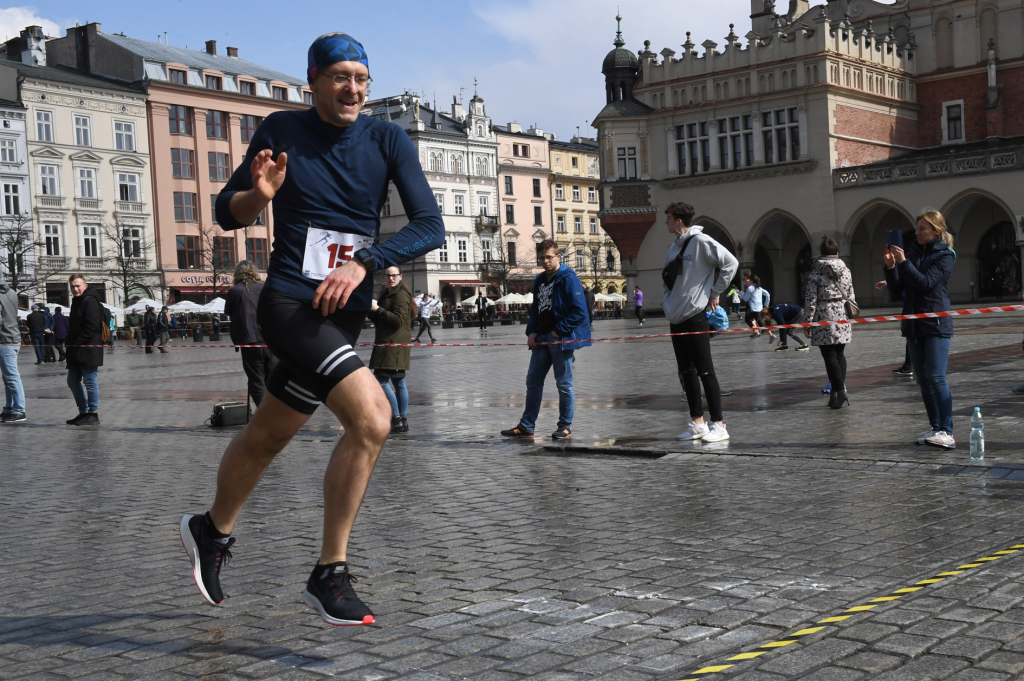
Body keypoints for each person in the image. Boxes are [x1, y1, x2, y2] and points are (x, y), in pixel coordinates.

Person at [179, 31, 444, 627]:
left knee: (269, 433)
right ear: (314, 81)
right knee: (373, 418)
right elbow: (227, 213)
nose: (353, 88)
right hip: (293, 307)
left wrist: (364, 262)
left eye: (362, 79)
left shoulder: (388, 137)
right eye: (341, 76)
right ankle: (331, 572)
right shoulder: (282, 130)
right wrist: (259, 195)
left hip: (343, 313)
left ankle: (210, 529)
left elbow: (430, 226)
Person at [660, 203, 738, 443]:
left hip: (695, 315)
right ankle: (697, 423)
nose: (666, 222)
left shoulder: (701, 241)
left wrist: (716, 292)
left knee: (705, 371)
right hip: (676, 317)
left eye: (669, 218)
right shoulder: (673, 248)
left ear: (679, 221)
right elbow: (668, 280)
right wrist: (667, 302)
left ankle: (719, 424)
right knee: (687, 372)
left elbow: (730, 263)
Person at [501, 240, 591, 440]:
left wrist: (558, 331)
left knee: (564, 384)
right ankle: (526, 425)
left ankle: (565, 425)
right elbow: (536, 309)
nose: (545, 261)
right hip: (541, 339)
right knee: (533, 382)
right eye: (542, 258)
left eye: (549, 257)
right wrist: (531, 332)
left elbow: (579, 312)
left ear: (558, 257)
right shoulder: (540, 279)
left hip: (560, 339)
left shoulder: (569, 278)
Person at [885, 209, 957, 449]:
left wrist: (904, 262)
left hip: (936, 323)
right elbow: (898, 289)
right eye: (916, 228)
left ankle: (947, 431)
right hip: (914, 324)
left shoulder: (945, 255)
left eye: (922, 228)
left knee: (936, 377)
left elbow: (926, 284)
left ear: (936, 231)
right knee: (923, 379)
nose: (916, 232)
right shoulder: (913, 252)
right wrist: (891, 267)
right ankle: (936, 428)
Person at [804, 238, 856, 409]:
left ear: (820, 253)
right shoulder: (845, 270)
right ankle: (836, 392)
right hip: (842, 311)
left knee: (829, 355)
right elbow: (850, 293)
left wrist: (808, 322)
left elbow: (811, 299)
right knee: (839, 353)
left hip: (823, 313)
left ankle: (840, 391)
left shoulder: (815, 273)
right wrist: (851, 316)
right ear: (837, 253)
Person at [368, 266, 413, 433]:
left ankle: (396, 418)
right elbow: (381, 318)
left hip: (393, 345)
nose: (391, 278)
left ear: (400, 276)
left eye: (394, 275)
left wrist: (378, 309)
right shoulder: (387, 293)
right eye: (388, 275)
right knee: (398, 381)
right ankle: (402, 421)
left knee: (381, 381)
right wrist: (370, 309)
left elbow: (398, 320)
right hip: (389, 343)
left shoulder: (400, 295)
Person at [225, 260, 276, 407]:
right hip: (270, 340)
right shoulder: (265, 287)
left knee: (256, 380)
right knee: (272, 380)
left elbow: (229, 312)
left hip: (249, 341)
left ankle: (264, 414)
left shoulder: (234, 291)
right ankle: (275, 413)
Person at [65, 275, 104, 425]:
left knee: (90, 381)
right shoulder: (77, 301)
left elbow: (92, 326)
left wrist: (77, 342)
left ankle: (93, 413)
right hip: (76, 349)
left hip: (88, 348)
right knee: (72, 381)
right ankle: (83, 412)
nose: (75, 289)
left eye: (78, 286)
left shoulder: (90, 301)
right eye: (72, 286)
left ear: (85, 285)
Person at [0, 274, 25, 423]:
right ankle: (9, 409)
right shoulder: (11, 292)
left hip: (5, 338)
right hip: (12, 336)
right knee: (8, 377)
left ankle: (19, 410)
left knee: (11, 377)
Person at [741, 274, 774, 340]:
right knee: (748, 318)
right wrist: (766, 304)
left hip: (755, 310)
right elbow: (768, 294)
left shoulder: (750, 288)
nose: (749, 281)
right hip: (759, 309)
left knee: (761, 324)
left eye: (750, 279)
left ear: (752, 280)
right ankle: (756, 332)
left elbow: (746, 299)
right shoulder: (759, 288)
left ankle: (771, 335)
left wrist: (741, 293)